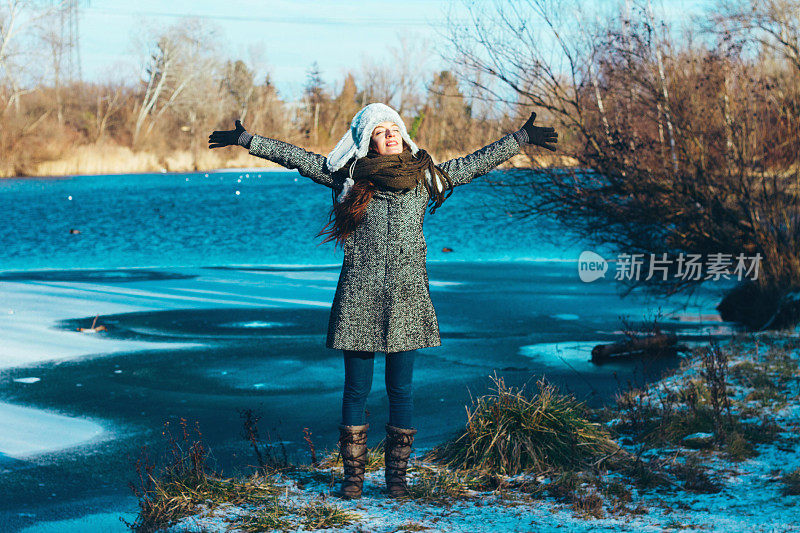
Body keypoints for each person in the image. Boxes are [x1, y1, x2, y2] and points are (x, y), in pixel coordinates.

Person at [208, 103, 558, 499]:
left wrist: (520, 139)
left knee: (401, 390)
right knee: (355, 390)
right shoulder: (349, 177)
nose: (390, 135)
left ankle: (397, 480)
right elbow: (298, 159)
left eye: (394, 128)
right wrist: (247, 140)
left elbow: (474, 164)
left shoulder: (425, 175)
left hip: (408, 298)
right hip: (359, 294)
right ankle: (353, 479)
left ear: (403, 134)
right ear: (368, 140)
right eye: (380, 130)